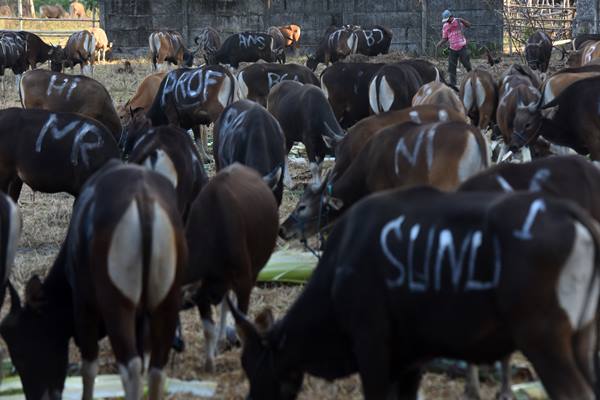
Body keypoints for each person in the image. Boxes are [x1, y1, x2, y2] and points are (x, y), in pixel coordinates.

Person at [436, 9, 472, 88]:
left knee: (467, 64)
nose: (447, 21)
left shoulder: (458, 22)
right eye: (446, 20)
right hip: (452, 49)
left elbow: (469, 25)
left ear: (451, 17)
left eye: (448, 19)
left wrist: (463, 20)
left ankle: (472, 78)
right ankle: (453, 85)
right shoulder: (445, 26)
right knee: (451, 68)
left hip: (462, 47)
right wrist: (440, 44)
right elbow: (445, 38)